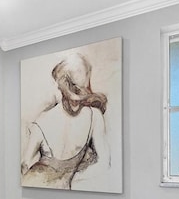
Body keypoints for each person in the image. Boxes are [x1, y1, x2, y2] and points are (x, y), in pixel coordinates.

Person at [21, 53, 111, 190]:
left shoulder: (94, 116)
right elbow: (25, 165)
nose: (75, 103)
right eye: (74, 95)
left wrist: (72, 179)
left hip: (48, 187)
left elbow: (104, 162)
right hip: (39, 186)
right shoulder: (43, 122)